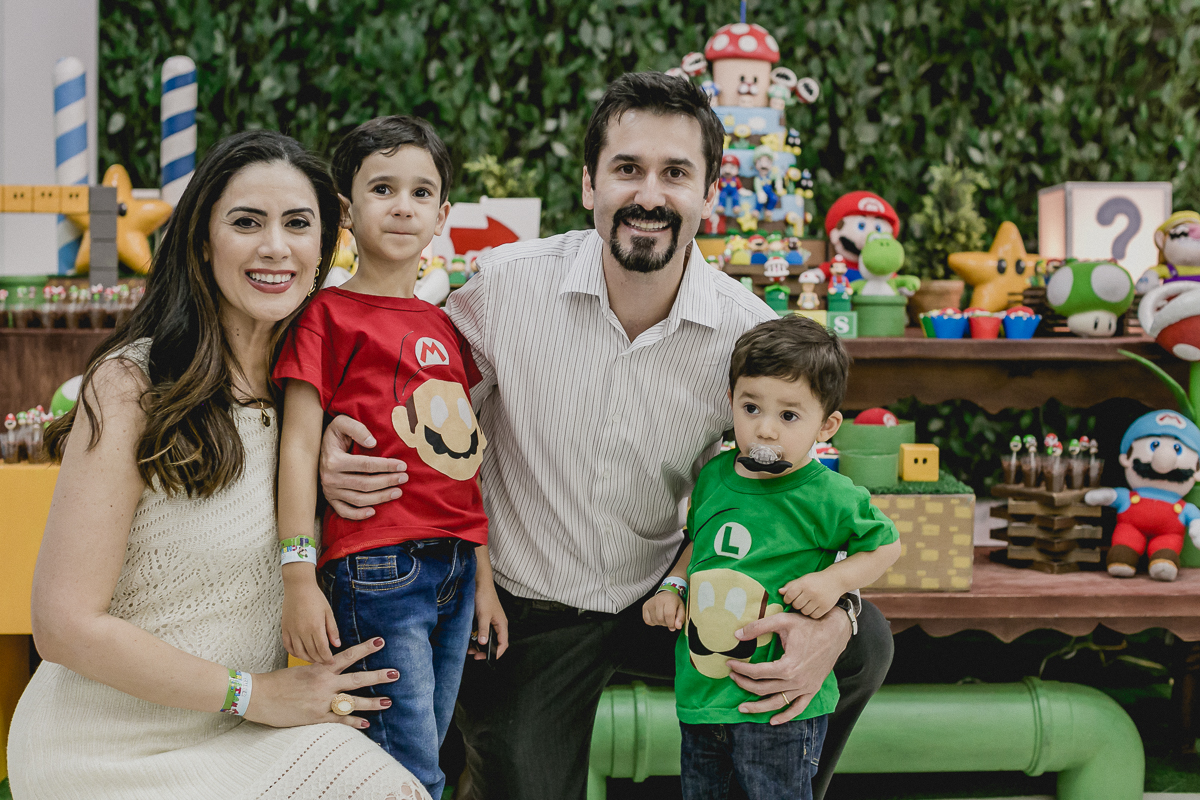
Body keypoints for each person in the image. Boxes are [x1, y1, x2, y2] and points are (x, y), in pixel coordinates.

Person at [319, 72, 894, 800]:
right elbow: (407, 388)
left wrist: (838, 615)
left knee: (865, 641)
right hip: (524, 609)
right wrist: (332, 446)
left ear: (709, 194)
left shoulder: (746, 331)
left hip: (662, 595)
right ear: (589, 184)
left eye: (675, 174)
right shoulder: (505, 286)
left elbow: (803, 483)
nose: (649, 195)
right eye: (627, 169)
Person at [7, 130, 429, 800]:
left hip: (241, 733)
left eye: (297, 224)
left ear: (324, 249)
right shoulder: (132, 387)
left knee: (392, 789)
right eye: (246, 223)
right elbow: (62, 625)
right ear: (204, 242)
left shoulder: (321, 399)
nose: (274, 247)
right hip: (103, 747)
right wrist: (254, 693)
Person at [273, 115, 505, 800]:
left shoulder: (444, 325)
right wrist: (296, 574)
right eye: (382, 188)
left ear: (443, 216)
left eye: (421, 192)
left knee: (423, 751)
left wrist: (484, 578)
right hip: (376, 567)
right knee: (405, 768)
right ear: (346, 208)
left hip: (455, 569)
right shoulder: (327, 315)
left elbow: (464, 462)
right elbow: (298, 443)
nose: (403, 205)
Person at [643, 315, 900, 799]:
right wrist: (673, 585)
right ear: (731, 403)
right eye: (751, 407)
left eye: (788, 416)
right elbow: (699, 543)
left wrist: (834, 582)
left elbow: (886, 544)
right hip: (703, 697)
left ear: (826, 425)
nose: (764, 429)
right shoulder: (716, 477)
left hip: (779, 707)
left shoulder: (829, 494)